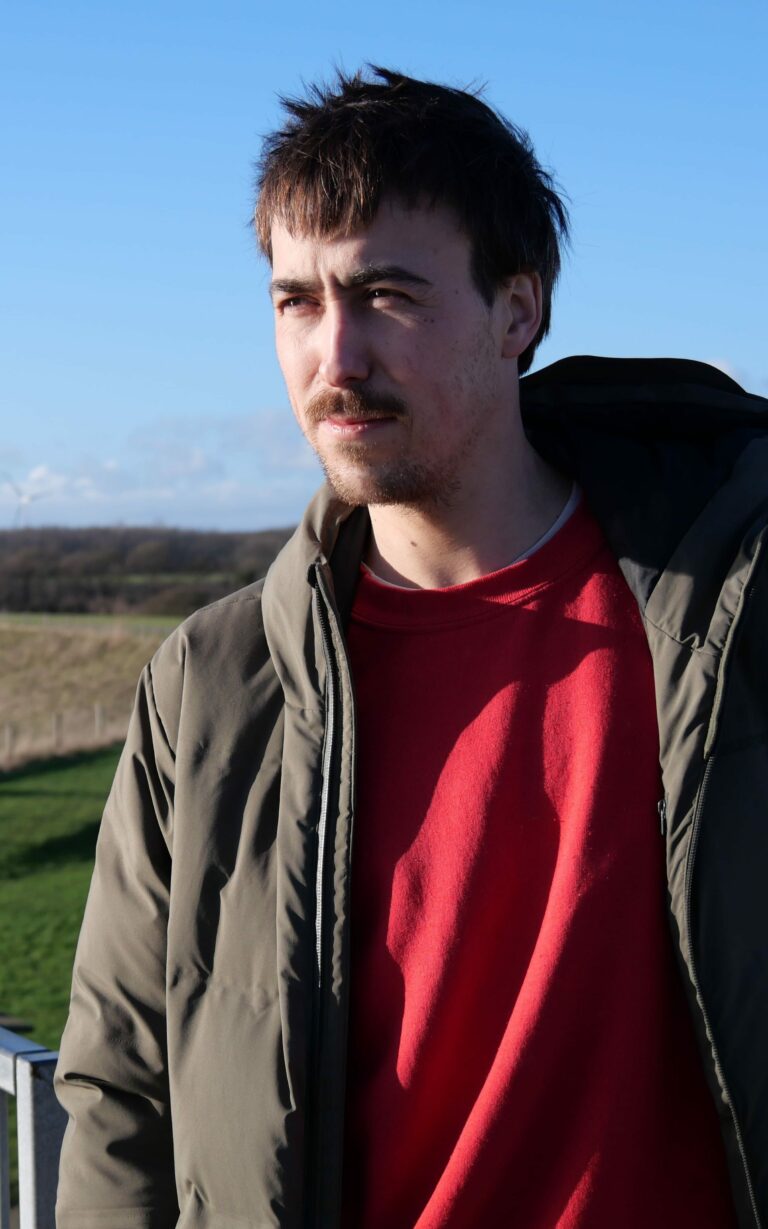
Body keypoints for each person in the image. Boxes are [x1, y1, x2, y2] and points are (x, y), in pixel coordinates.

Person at [55, 67, 768, 1229]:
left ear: (518, 310)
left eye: (385, 293)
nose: (335, 355)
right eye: (297, 301)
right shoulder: (209, 685)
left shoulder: (729, 613)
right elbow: (122, 1092)